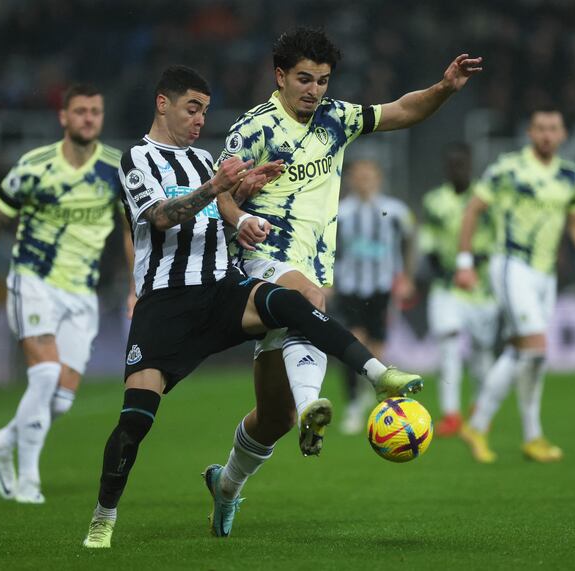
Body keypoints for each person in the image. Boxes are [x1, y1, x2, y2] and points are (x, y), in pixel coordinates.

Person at [81, 65, 422, 549]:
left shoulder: (203, 161)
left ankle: (375, 372)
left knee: (295, 302)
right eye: (191, 108)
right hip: (166, 307)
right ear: (163, 103)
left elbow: (222, 214)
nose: (200, 120)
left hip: (221, 291)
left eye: (205, 110)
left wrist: (243, 201)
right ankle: (103, 516)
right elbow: (160, 217)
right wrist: (219, 187)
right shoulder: (137, 159)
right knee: (136, 419)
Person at [215, 26, 482, 456]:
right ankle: (319, 406)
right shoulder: (254, 129)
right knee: (308, 300)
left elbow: (400, 111)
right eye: (305, 79)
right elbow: (220, 190)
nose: (314, 90)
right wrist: (241, 215)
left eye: (322, 81)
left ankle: (226, 485)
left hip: (314, 266)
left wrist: (444, 88)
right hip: (263, 257)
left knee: (271, 419)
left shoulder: (335, 118)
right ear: (280, 75)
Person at [0, 84, 134, 503]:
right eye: (81, 111)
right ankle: (28, 481)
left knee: (60, 401)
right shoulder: (33, 168)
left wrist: (134, 286)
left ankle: (4, 440)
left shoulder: (116, 168)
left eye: (95, 111)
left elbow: (129, 230)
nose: (89, 118)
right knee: (46, 375)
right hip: (32, 281)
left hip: (82, 293)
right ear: (64, 117)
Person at [454, 109, 575, 463]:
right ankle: (495, 427)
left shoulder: (570, 175)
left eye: (553, 128)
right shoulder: (508, 168)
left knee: (523, 351)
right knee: (536, 347)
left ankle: (498, 429)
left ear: (564, 134)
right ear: (529, 132)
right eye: (540, 128)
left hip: (545, 274)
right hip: (511, 265)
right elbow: (473, 210)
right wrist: (464, 263)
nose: (547, 135)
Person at [332, 159, 417, 434]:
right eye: (359, 176)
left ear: (378, 178)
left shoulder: (394, 211)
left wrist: (406, 277)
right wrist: (326, 280)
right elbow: (329, 247)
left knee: (378, 345)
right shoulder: (340, 212)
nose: (364, 181)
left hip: (382, 286)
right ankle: (354, 404)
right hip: (349, 286)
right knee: (352, 341)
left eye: (369, 176)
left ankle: (374, 396)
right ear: (350, 180)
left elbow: (411, 240)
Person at [419, 143, 498, 437]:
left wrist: (474, 266)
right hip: (447, 288)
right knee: (448, 348)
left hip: (481, 288)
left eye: (462, 164)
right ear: (446, 168)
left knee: (481, 352)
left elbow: (494, 243)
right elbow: (429, 245)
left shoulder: (486, 200)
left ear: (470, 165)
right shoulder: (434, 201)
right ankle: (451, 414)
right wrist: (449, 273)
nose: (457, 169)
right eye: (452, 165)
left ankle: (479, 407)